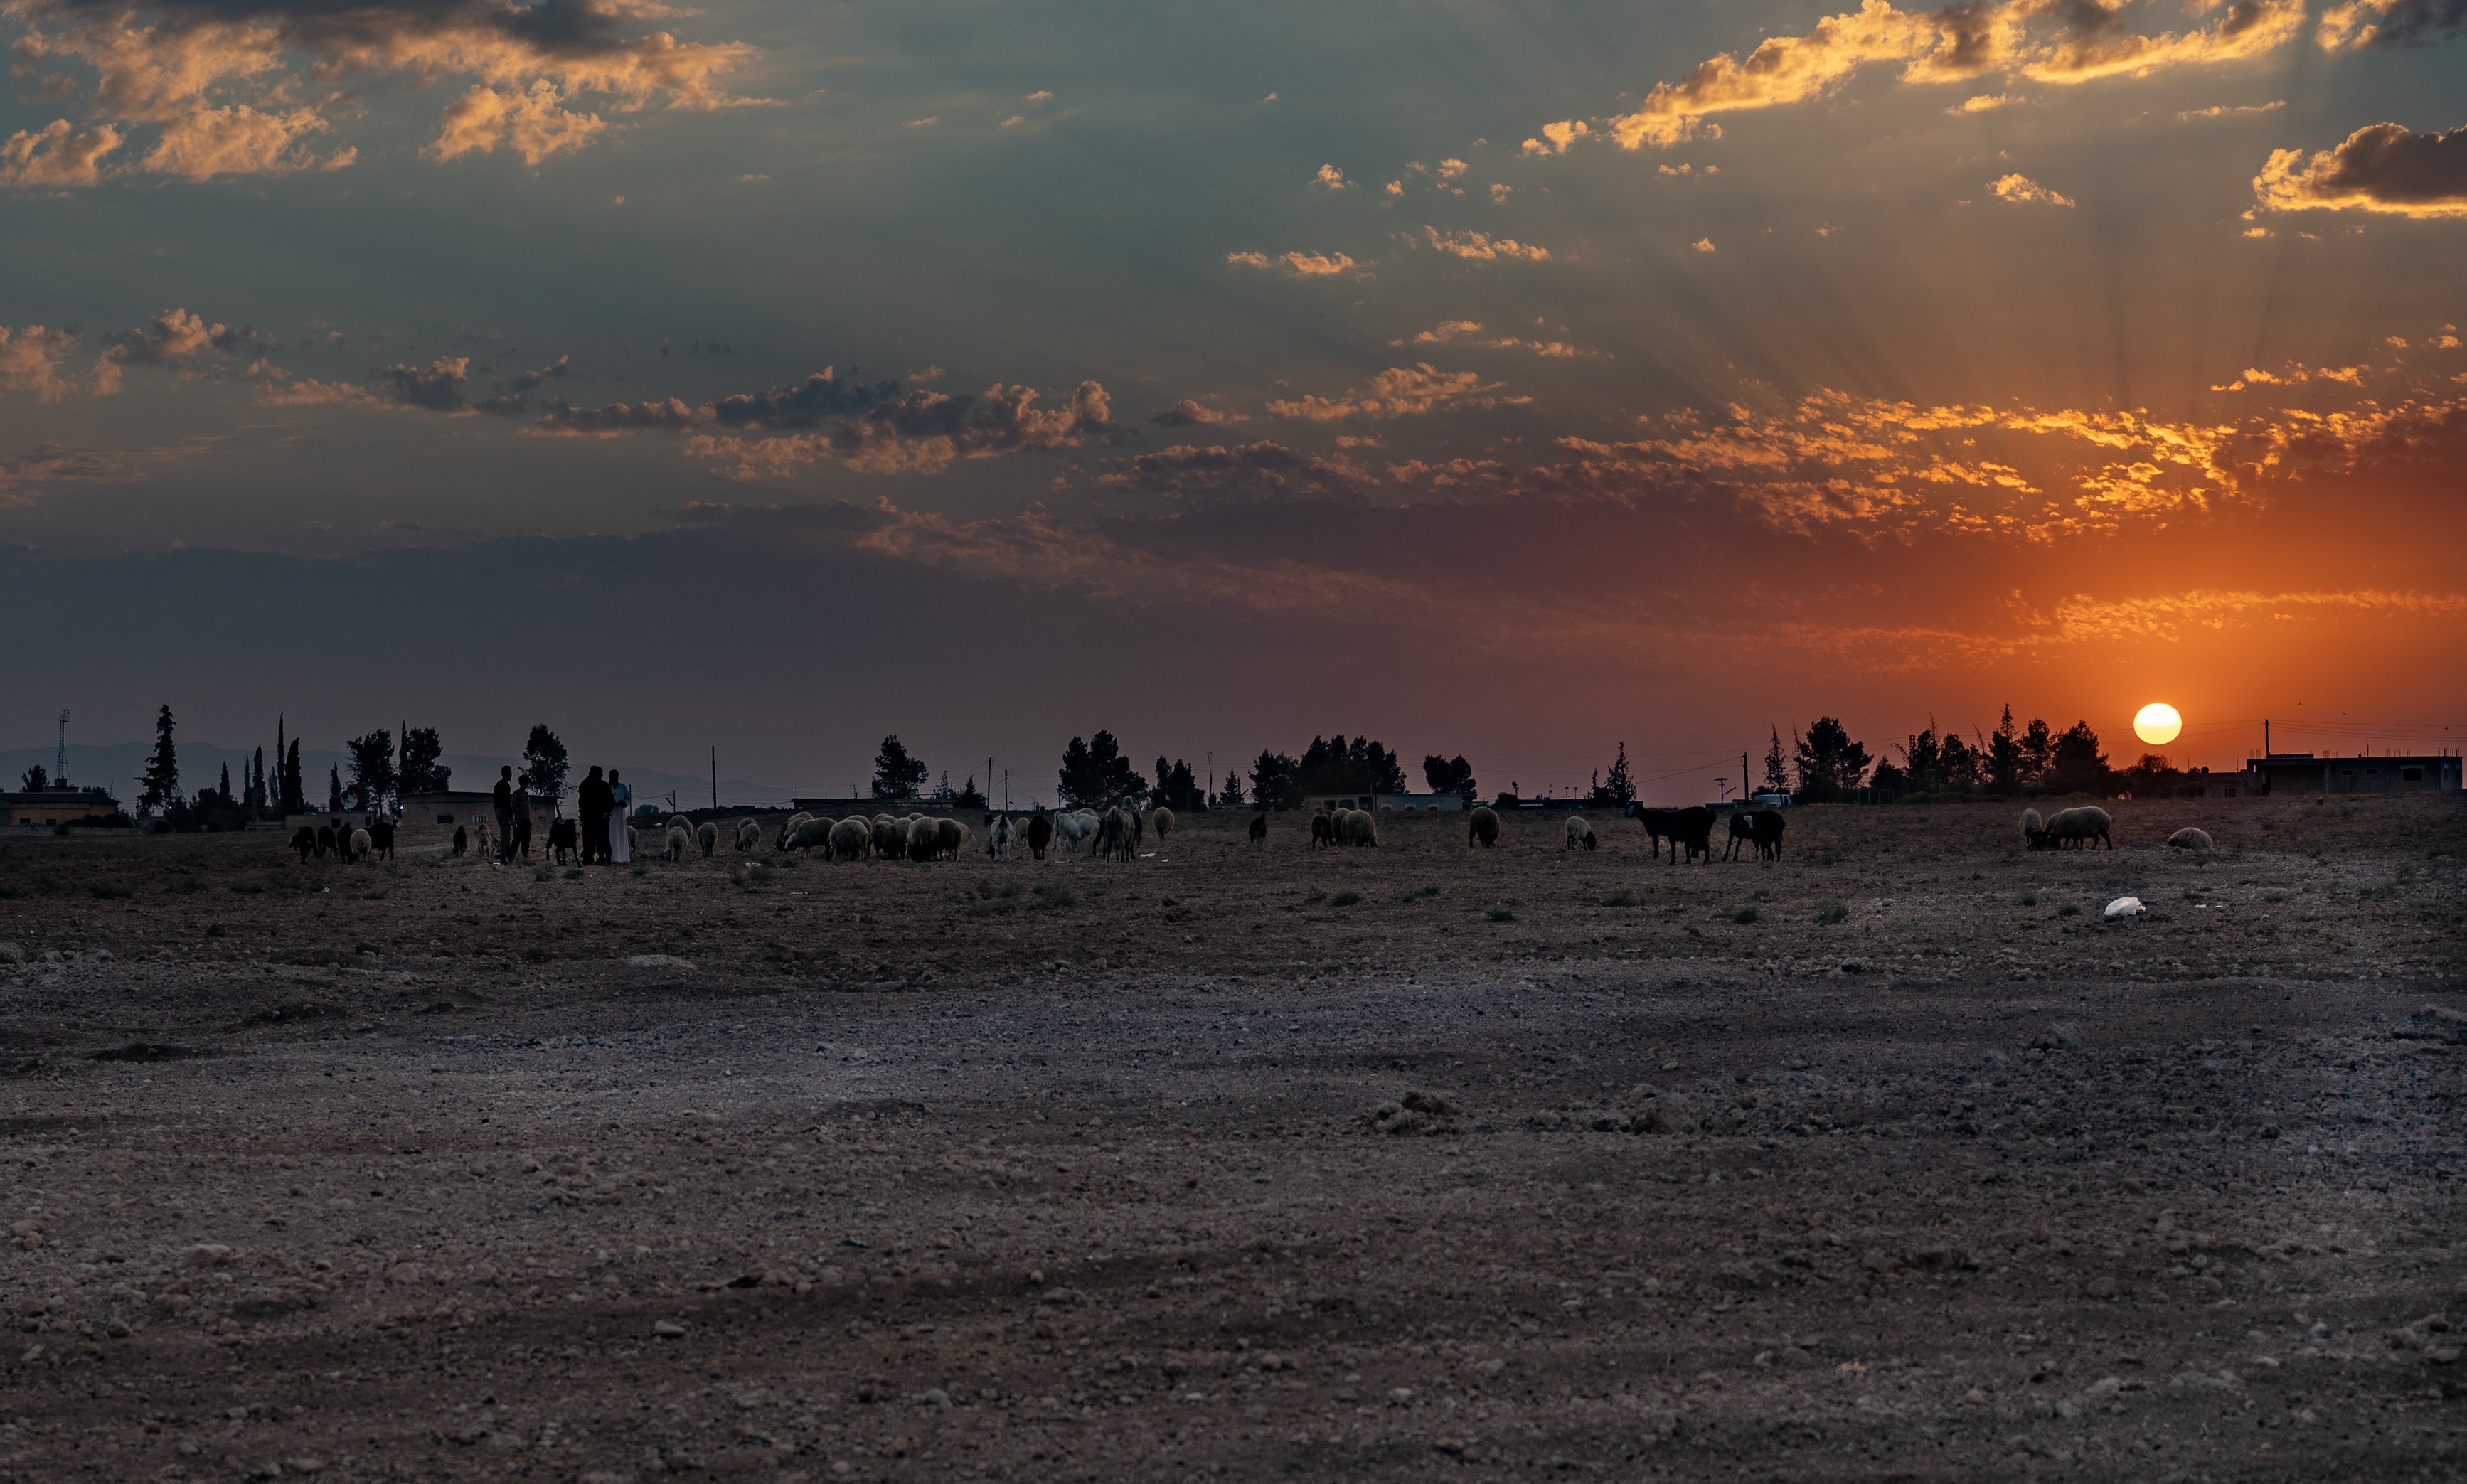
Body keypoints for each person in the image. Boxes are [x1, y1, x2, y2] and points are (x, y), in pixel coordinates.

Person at [577, 765, 614, 864]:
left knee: (597, 839)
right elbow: (611, 801)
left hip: (596, 817)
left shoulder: (586, 785)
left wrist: (607, 812)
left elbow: (581, 802)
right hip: (594, 818)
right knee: (598, 839)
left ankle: (598, 859)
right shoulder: (601, 785)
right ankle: (598, 859)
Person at [492, 766, 515, 865]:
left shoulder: (497, 786)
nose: (511, 775)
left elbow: (495, 802)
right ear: (506, 774)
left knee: (505, 834)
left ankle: (510, 857)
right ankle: (503, 858)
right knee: (505, 836)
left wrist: (497, 812)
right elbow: (507, 802)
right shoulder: (506, 786)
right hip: (504, 812)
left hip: (499, 812)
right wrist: (511, 816)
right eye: (510, 773)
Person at [608, 769, 632, 864]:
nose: (614, 778)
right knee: (611, 833)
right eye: (612, 776)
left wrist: (624, 802)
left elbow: (628, 798)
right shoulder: (607, 787)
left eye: (615, 776)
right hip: (610, 812)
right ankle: (612, 856)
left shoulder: (622, 787)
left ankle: (622, 857)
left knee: (621, 833)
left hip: (620, 813)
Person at [511, 773, 534, 860]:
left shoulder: (526, 795)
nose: (526, 784)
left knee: (527, 839)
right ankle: (512, 857)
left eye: (527, 783)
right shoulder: (517, 794)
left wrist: (529, 820)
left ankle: (525, 857)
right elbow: (514, 806)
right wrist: (517, 819)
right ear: (520, 783)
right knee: (517, 839)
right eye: (525, 782)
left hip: (526, 820)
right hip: (520, 820)